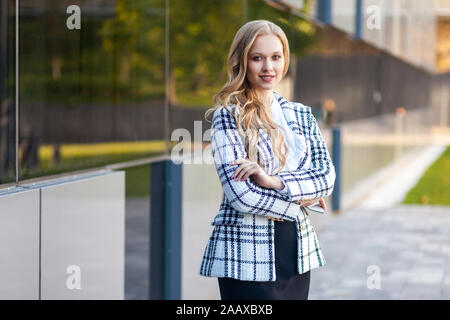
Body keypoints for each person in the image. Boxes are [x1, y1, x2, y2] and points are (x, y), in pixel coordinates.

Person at [199, 19, 336, 300]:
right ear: (242, 61)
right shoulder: (228, 116)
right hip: (246, 253)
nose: (268, 67)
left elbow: (326, 177)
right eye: (257, 58)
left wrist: (274, 181)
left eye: (276, 57)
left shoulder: (301, 114)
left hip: (296, 250)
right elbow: (241, 196)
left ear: (285, 59)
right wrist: (300, 201)